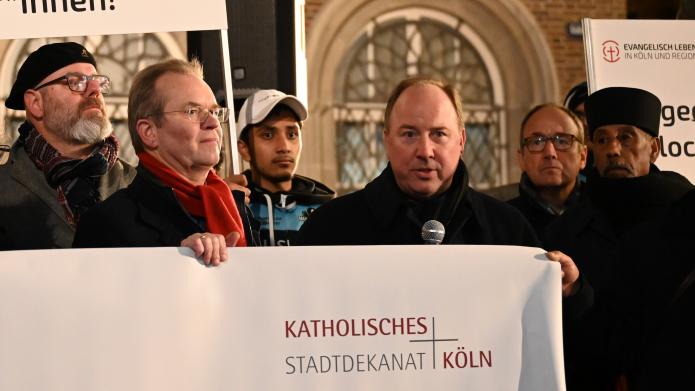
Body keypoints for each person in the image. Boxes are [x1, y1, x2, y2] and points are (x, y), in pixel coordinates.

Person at [296, 77, 586, 299]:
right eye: (409, 134)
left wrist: (571, 292)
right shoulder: (329, 229)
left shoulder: (507, 230)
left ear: (461, 140)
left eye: (439, 134)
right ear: (386, 140)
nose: (425, 150)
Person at [545, 86, 693, 391]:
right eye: (602, 139)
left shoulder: (685, 216)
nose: (613, 149)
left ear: (654, 148)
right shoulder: (565, 231)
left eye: (626, 137)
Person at [73, 59, 247, 266]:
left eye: (215, 112)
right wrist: (177, 261)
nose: (213, 123)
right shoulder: (106, 223)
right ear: (149, 132)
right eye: (192, 111)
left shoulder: (238, 208)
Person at [0, 42, 135, 250]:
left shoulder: (136, 183)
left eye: (97, 82)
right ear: (35, 103)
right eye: (76, 82)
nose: (94, 90)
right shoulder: (4, 187)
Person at [235, 89, 335, 246]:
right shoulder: (231, 203)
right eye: (268, 135)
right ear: (244, 149)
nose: (284, 147)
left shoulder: (328, 210)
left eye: (292, 135)